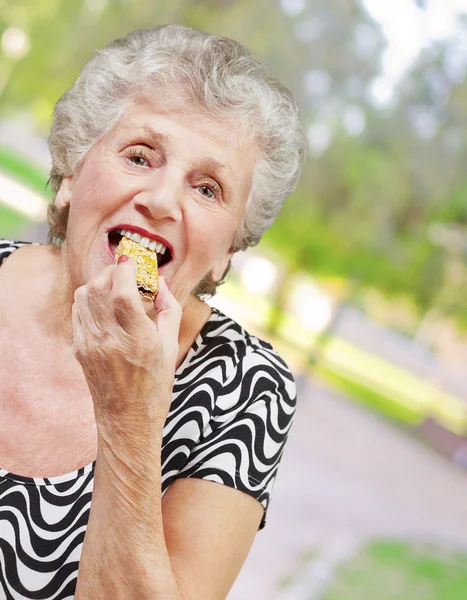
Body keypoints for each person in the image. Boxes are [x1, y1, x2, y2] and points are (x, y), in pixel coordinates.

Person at [0, 24, 306, 599]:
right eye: (140, 156)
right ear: (70, 176)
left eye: (209, 188)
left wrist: (130, 417)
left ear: (225, 254)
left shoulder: (243, 390)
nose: (161, 201)